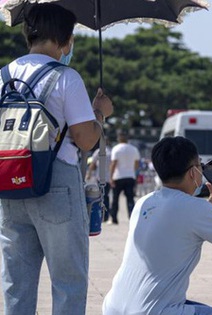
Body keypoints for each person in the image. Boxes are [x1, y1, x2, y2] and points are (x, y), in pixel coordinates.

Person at [0, 4, 113, 314]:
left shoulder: (3, 75)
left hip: (10, 181)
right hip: (56, 184)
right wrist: (100, 112)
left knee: (16, 281)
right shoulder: (66, 77)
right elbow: (86, 139)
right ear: (67, 40)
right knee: (68, 279)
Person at [102, 136, 212, 315]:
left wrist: (210, 207)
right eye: (199, 165)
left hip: (114, 307)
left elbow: (178, 223)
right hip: (153, 311)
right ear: (192, 173)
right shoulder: (196, 209)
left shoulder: (145, 201)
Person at [109, 131, 140, 223]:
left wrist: (110, 177)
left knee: (115, 198)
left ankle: (114, 218)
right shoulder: (134, 149)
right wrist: (133, 171)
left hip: (118, 176)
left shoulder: (116, 149)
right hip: (130, 176)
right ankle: (132, 216)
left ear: (118, 138)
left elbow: (114, 164)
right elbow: (137, 163)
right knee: (130, 198)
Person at [86, 140, 113, 222]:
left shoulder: (98, 151)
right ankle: (106, 215)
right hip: (109, 178)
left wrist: (89, 174)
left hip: (100, 177)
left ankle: (101, 215)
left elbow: (93, 164)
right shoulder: (111, 152)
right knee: (106, 196)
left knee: (100, 197)